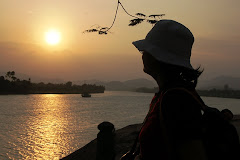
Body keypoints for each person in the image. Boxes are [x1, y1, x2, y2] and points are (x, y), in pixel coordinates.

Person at [132, 20, 207, 160]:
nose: (142, 55)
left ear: (158, 58)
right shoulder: (168, 94)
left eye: (146, 50)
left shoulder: (178, 101)